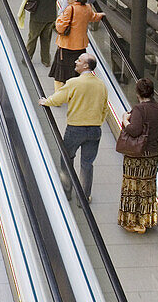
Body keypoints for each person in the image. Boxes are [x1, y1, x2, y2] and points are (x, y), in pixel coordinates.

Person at [40, 53, 109, 201]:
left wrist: (46, 101)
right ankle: (84, 197)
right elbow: (105, 108)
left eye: (79, 60)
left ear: (86, 65)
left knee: (67, 158)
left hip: (75, 128)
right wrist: (98, 122)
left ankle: (67, 192)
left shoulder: (74, 82)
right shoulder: (101, 85)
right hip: (95, 129)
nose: (76, 62)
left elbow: (59, 98)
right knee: (87, 163)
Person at [118, 77, 158, 233]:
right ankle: (145, 221)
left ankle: (132, 221)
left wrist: (124, 120)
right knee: (147, 186)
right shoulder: (157, 108)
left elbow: (134, 130)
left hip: (138, 154)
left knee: (133, 186)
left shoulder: (139, 109)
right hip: (153, 153)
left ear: (138, 92)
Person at [50, 0, 104, 87]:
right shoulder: (87, 7)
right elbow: (93, 17)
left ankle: (59, 96)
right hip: (80, 46)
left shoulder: (70, 9)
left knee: (60, 75)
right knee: (76, 73)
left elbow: (60, 28)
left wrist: (58, 19)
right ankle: (74, 93)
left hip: (66, 46)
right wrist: (101, 15)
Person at [25, 0, 60, 64]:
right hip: (50, 16)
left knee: (32, 37)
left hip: (38, 17)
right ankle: (46, 60)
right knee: (46, 39)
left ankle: (27, 59)